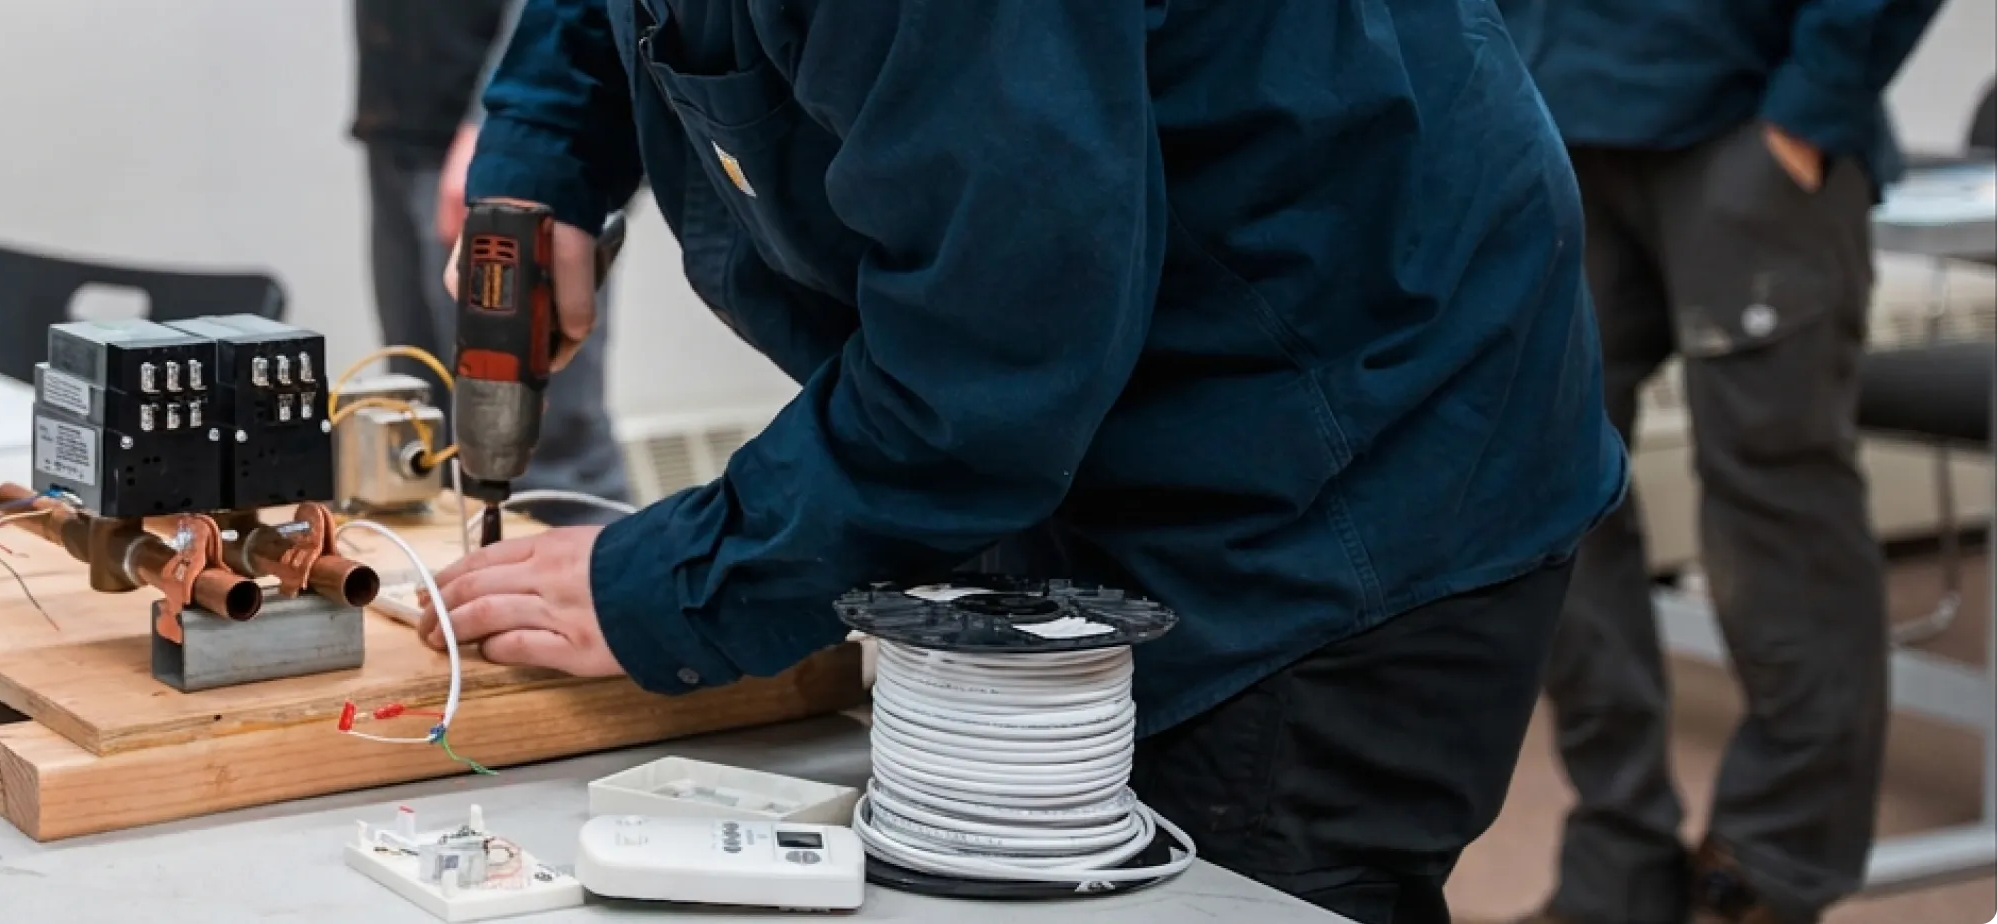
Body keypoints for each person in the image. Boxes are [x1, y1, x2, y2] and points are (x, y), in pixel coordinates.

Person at [425, 2, 1625, 922]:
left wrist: (676, 583)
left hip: (1337, 474)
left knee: (1231, 876)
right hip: (1113, 413)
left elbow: (990, 369)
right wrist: (542, 147)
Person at [1492, 2, 1945, 922]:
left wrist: (1816, 100)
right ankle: (1616, 866)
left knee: (1777, 504)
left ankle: (1767, 872)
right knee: (1551, 501)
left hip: (1749, 121)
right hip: (1549, 107)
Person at [348, 0, 631, 519]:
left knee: (544, 443)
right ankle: (456, 585)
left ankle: (599, 579)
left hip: (494, 143)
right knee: (421, 418)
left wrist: (508, 137)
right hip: (399, 126)